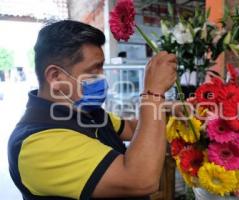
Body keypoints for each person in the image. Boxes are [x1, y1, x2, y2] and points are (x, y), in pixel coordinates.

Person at [8, 20, 178, 200]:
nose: (103, 77)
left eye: (102, 67)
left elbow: (130, 128)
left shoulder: (85, 111)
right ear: (55, 77)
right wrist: (153, 94)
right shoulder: (37, 144)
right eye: (94, 69)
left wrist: (166, 110)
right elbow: (141, 179)